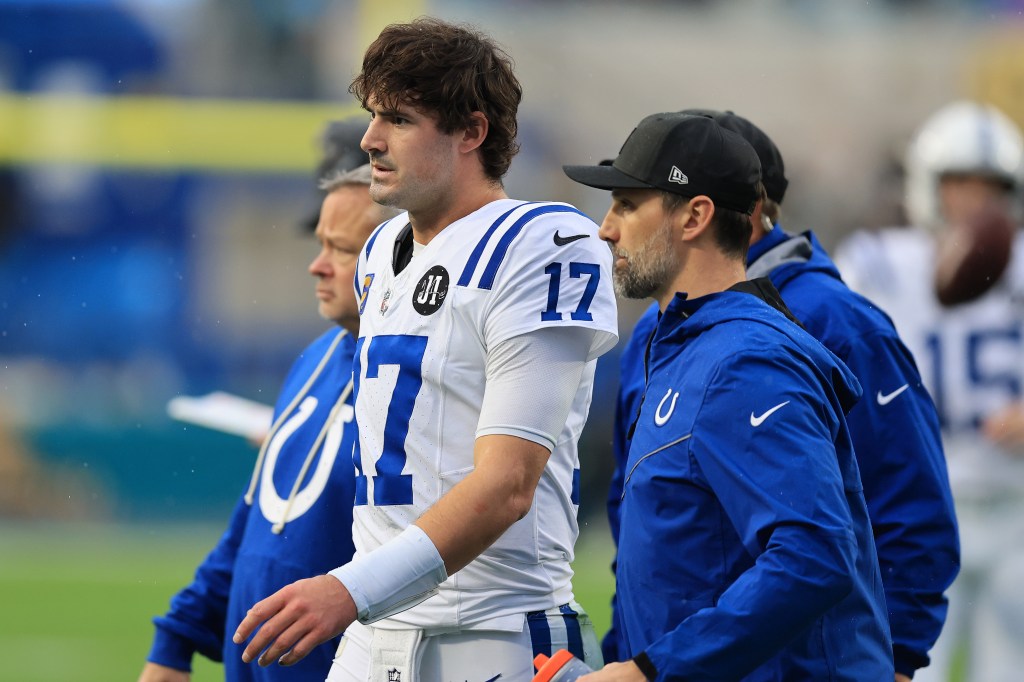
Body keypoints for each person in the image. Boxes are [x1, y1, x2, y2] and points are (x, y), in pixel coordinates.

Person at [232, 17, 618, 682]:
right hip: (376, 635)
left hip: (490, 632)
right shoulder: (382, 250)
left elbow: (507, 486)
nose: (370, 139)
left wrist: (350, 588)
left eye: (400, 119)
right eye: (372, 115)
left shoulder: (542, 242)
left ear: (472, 131)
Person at [603, 110, 959, 681]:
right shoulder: (664, 331)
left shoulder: (792, 337)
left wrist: (898, 656)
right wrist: (628, 656)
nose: (606, 228)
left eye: (626, 203)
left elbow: (847, 530)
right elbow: (647, 521)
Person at [139, 163, 398, 682]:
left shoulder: (416, 382)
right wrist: (177, 638)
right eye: (320, 244)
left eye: (341, 250)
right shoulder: (316, 359)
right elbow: (254, 523)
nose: (317, 266)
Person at [834, 100, 1024, 682]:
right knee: (908, 668)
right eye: (959, 182)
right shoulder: (876, 263)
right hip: (919, 506)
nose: (974, 200)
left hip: (1018, 504)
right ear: (926, 185)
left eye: (989, 186)